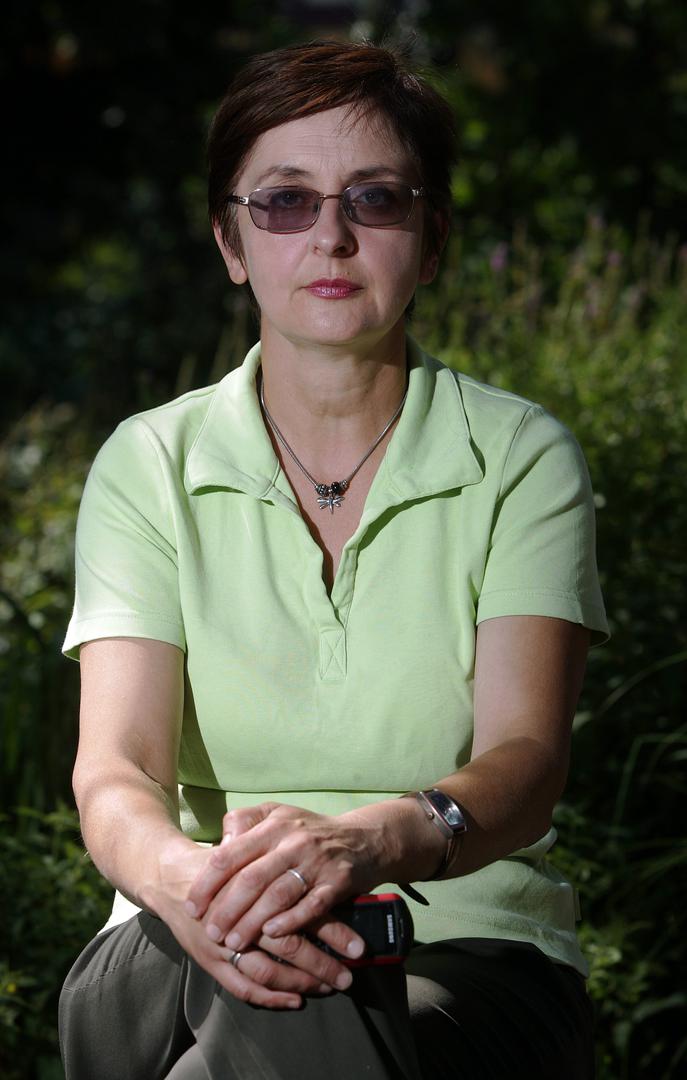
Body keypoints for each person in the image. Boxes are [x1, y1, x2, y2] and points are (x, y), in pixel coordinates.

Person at [58, 39, 609, 1080]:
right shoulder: (149, 463)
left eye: (376, 198)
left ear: (432, 242)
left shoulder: (520, 458)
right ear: (230, 241)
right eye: (284, 202)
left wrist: (362, 849)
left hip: (465, 948)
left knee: (317, 983)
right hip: (173, 930)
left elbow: (525, 763)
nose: (331, 235)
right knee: (298, 961)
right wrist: (192, 879)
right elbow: (117, 769)